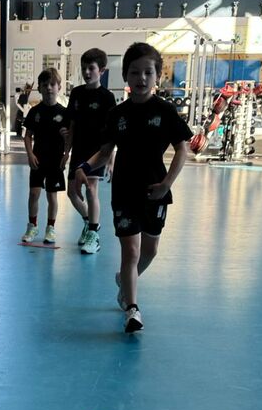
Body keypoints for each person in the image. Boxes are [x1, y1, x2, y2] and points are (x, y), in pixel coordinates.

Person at [74, 42, 191, 334]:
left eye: (148, 72)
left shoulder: (165, 111)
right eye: (135, 72)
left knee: (150, 251)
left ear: (158, 76)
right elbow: (105, 151)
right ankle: (132, 309)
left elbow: (182, 149)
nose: (141, 78)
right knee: (131, 250)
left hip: (155, 191)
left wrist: (167, 184)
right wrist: (84, 167)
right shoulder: (117, 114)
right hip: (124, 191)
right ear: (126, 75)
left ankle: (124, 281)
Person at [65, 48, 117, 254]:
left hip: (97, 152)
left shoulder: (107, 97)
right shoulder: (76, 93)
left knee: (91, 190)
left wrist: (110, 158)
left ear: (101, 71)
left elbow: (112, 133)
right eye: (84, 68)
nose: (87, 72)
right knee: (72, 192)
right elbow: (71, 125)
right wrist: (66, 153)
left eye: (91, 68)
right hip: (78, 150)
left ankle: (94, 235)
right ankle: (89, 221)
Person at [22, 68, 70, 245]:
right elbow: (27, 136)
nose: (49, 88)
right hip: (38, 159)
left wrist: (66, 154)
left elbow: (70, 138)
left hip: (55, 160)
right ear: (40, 89)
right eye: (45, 85)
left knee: (52, 196)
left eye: (52, 84)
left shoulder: (64, 113)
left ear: (59, 87)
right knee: (34, 193)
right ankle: (32, 226)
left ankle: (50, 228)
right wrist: (30, 154)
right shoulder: (35, 112)